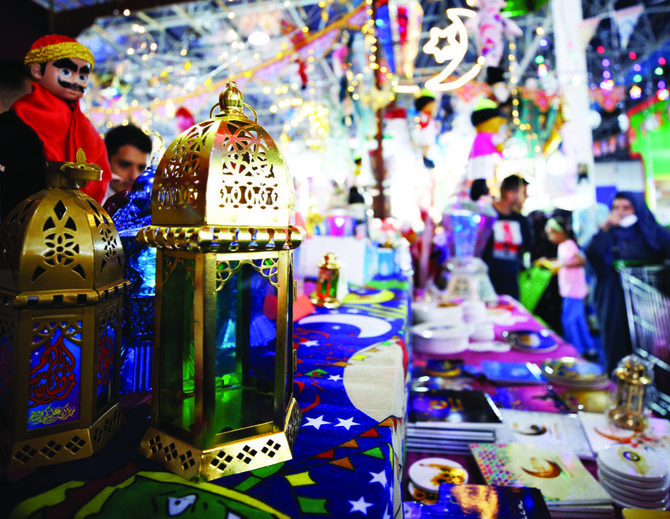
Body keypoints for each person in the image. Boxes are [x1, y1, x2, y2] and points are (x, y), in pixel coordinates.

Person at [0, 35, 111, 220]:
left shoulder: (87, 130)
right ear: (37, 70)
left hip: (79, 223)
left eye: (82, 75)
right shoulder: (18, 121)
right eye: (67, 72)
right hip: (25, 222)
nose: (75, 81)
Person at [584, 192, 670, 374]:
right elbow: (592, 255)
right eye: (616, 208)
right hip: (613, 301)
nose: (621, 212)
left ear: (637, 208)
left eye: (626, 207)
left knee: (650, 351)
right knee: (617, 351)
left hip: (648, 305)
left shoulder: (654, 233)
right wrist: (605, 228)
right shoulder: (608, 235)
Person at [538, 216, 598, 360]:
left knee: (569, 321)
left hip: (573, 290)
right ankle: (589, 349)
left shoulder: (569, 244)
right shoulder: (563, 246)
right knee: (578, 321)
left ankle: (575, 351)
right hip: (571, 290)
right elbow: (565, 261)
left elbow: (580, 260)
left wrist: (561, 264)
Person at [481, 174, 533, 300]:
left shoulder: (521, 220)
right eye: (523, 192)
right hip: (487, 283)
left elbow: (526, 247)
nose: (526, 197)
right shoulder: (486, 216)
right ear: (510, 194)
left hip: (511, 283)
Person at [103, 124, 152, 200]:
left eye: (141, 168)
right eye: (124, 165)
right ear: (106, 162)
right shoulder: (86, 204)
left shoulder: (148, 205)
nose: (134, 176)